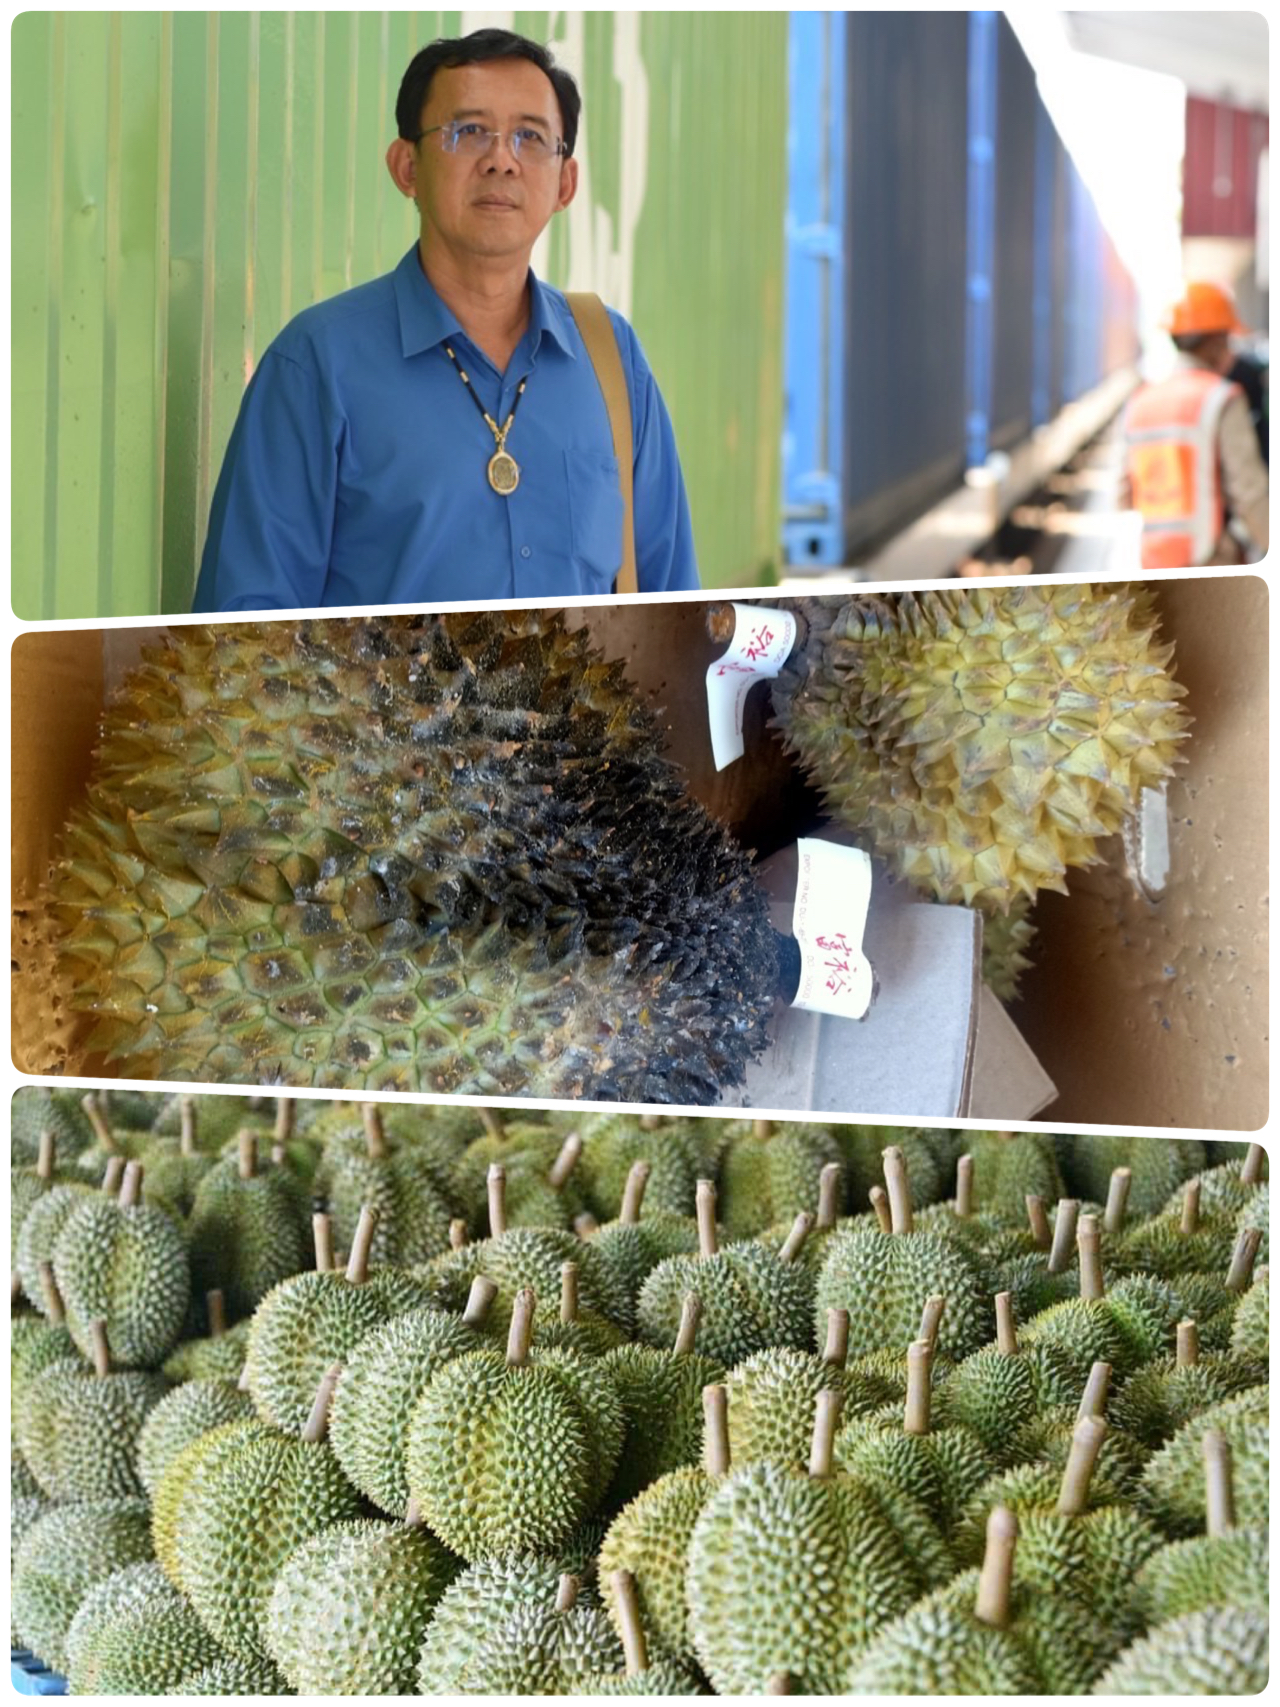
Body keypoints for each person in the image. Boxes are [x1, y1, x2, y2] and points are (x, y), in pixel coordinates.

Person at [192, 28, 699, 610]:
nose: (501, 161)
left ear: (565, 182)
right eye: (469, 132)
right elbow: (244, 638)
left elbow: (673, 612)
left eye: (530, 137)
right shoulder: (316, 366)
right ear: (406, 166)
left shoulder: (611, 359)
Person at [1122, 281, 1268, 567]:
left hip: (1155, 562)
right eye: (1228, 341)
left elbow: (1124, 496)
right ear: (1215, 343)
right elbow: (1250, 495)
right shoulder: (1222, 398)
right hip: (1213, 562)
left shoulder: (1140, 401)